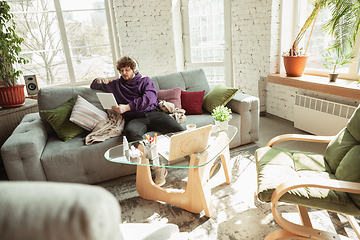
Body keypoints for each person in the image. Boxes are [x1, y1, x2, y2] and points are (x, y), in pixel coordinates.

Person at [90, 56, 184, 186]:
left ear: (134, 69)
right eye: (121, 70)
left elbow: (149, 98)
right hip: (135, 119)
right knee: (130, 134)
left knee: (179, 131)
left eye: (127, 70)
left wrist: (127, 107)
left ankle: (195, 159)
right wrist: (98, 80)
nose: (124, 73)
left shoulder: (145, 81)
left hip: (153, 113)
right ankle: (158, 168)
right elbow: (94, 85)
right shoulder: (116, 84)